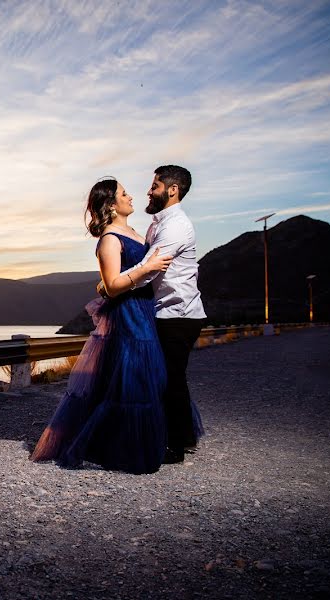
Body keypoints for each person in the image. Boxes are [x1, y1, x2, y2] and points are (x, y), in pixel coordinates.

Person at [30, 178, 173, 474]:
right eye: (124, 193)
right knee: (134, 379)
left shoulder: (132, 231)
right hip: (128, 313)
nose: (130, 196)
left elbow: (106, 284)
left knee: (140, 379)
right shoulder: (109, 238)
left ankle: (121, 445)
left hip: (145, 309)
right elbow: (114, 284)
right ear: (111, 204)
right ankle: (122, 451)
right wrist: (146, 268)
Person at [103, 165, 207, 463]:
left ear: (172, 190)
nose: (149, 191)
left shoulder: (175, 226)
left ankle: (174, 445)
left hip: (178, 314)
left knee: (168, 378)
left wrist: (108, 285)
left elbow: (148, 270)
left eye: (155, 186)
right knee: (166, 377)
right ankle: (180, 437)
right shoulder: (156, 224)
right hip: (161, 312)